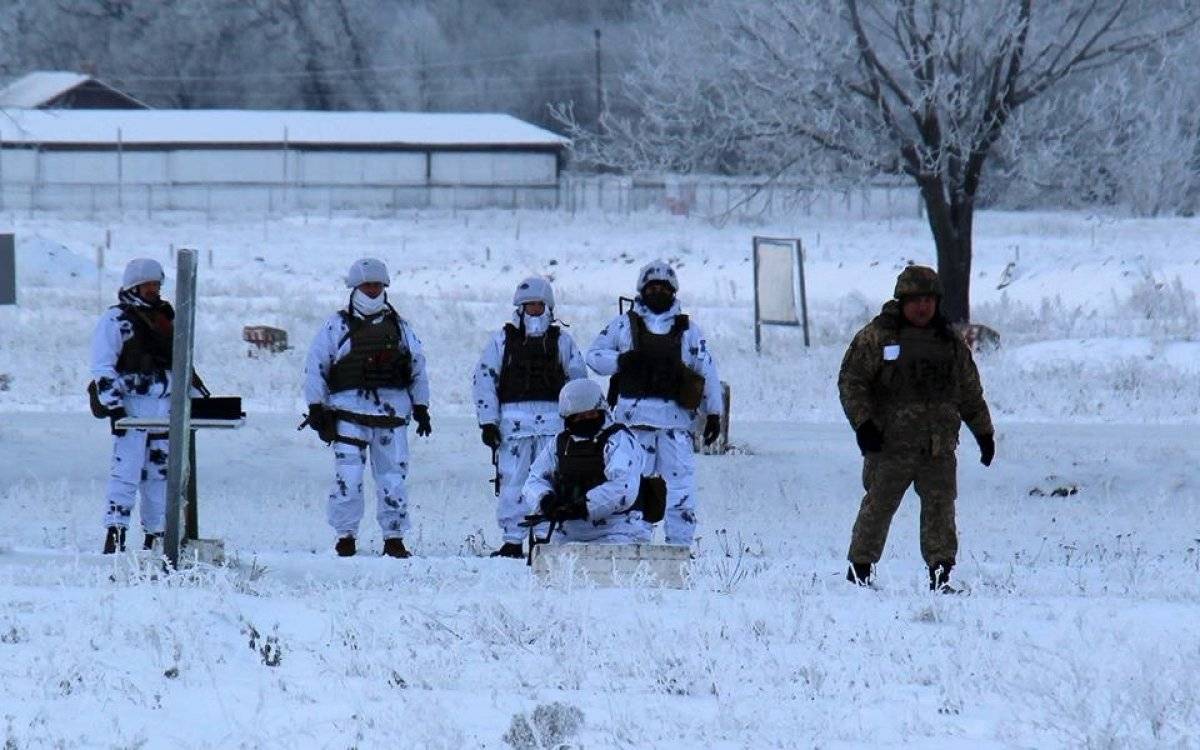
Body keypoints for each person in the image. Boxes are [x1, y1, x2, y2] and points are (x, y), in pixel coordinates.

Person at [839, 265, 995, 592]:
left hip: (937, 448)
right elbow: (852, 382)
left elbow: (969, 390)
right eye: (915, 300)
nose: (922, 307)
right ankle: (860, 572)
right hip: (888, 447)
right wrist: (863, 424)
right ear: (902, 301)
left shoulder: (949, 343)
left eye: (928, 300)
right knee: (877, 509)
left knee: (940, 511)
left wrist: (983, 433)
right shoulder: (877, 337)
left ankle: (941, 576)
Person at [585, 260, 722, 546]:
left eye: (663, 287)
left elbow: (706, 369)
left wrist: (714, 413)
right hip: (634, 424)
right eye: (652, 287)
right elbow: (594, 356)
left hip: (675, 424)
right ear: (642, 290)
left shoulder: (688, 331)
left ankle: (680, 546)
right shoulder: (624, 325)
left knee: (680, 488)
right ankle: (635, 543)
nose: (657, 291)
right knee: (633, 485)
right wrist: (621, 361)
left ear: (673, 291)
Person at [303, 258, 432, 558]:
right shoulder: (335, 326)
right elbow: (316, 367)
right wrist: (315, 406)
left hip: (391, 416)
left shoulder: (401, 328)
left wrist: (422, 406)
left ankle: (394, 536)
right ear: (355, 288)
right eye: (367, 285)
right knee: (347, 477)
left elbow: (417, 369)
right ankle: (345, 535)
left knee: (393, 478)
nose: (372, 291)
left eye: (377, 285)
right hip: (348, 414)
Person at [471, 276, 588, 558]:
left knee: (549, 480)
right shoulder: (502, 340)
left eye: (537, 305)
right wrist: (488, 421)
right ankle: (513, 539)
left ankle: (543, 537)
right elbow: (484, 379)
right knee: (512, 480)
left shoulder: (563, 342)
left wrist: (578, 418)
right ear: (520, 308)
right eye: (528, 305)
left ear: (547, 307)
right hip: (514, 425)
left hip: (552, 424)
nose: (533, 310)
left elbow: (578, 381)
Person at [89, 258, 183, 553]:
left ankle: (156, 538)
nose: (154, 290)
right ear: (134, 286)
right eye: (148, 285)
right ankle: (115, 534)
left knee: (160, 475)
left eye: (157, 284)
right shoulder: (116, 320)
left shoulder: (167, 319)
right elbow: (102, 368)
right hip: (132, 407)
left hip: (164, 406)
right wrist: (114, 407)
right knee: (126, 471)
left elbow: (182, 361)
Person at [521, 379, 650, 544]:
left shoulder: (619, 440)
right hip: (568, 531)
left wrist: (584, 506)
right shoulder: (560, 443)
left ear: (601, 411)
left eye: (591, 414)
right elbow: (535, 479)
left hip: (617, 529)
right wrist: (545, 500)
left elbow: (623, 486)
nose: (586, 419)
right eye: (579, 417)